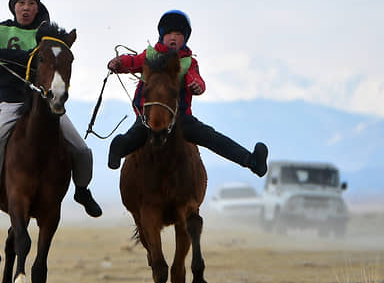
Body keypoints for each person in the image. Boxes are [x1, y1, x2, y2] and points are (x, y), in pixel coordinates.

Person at [0, 0, 102, 222]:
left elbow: (35, 61)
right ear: (13, 7)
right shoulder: (0, 31)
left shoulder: (46, 37)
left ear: (38, 8)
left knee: (80, 149)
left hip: (45, 105)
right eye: (21, 4)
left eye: (31, 4)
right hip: (10, 102)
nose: (26, 8)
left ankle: (82, 190)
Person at [106, 10, 268, 176]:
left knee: (209, 136)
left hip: (180, 117)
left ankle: (251, 160)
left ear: (185, 38)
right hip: (149, 116)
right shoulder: (150, 55)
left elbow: (197, 79)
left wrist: (196, 85)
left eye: (178, 34)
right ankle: (117, 148)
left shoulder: (189, 62)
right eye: (168, 33)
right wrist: (118, 63)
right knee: (136, 135)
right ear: (161, 37)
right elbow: (132, 62)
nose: (173, 37)